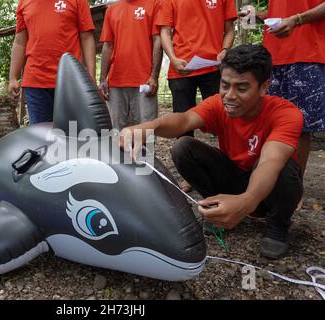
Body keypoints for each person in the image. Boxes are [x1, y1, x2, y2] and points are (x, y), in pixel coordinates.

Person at [120, 45, 304, 259]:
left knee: (286, 169)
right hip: (233, 176)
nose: (230, 96)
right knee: (184, 147)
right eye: (225, 85)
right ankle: (216, 207)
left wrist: (247, 201)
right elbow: (184, 120)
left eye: (242, 88)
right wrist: (148, 127)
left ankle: (277, 226)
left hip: (266, 188)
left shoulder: (286, 114)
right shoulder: (218, 104)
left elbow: (269, 163)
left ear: (264, 87)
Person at [241, 1, 325, 209]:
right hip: (272, 57)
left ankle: (293, 188)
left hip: (307, 54)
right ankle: (262, 184)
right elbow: (282, 12)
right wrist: (258, 15)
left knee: (300, 127)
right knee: (265, 122)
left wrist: (297, 20)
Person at [156, 0, 237, 192]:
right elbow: (165, 31)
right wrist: (173, 59)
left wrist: (225, 51)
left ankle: (233, 168)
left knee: (226, 121)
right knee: (183, 125)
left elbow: (230, 28)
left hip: (214, 67)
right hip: (182, 68)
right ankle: (189, 175)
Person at [8, 0, 96, 125]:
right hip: (36, 82)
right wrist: (13, 78)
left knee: (71, 133)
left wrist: (91, 75)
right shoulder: (24, 2)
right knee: (40, 136)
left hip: (70, 81)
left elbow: (86, 37)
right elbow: (19, 42)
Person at [99, 0, 163, 131]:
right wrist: (102, 79)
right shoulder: (111, 10)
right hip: (115, 81)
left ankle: (145, 153)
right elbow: (108, 45)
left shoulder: (154, 4)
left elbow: (158, 40)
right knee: (114, 131)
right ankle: (116, 152)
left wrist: (154, 76)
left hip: (144, 81)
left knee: (146, 130)